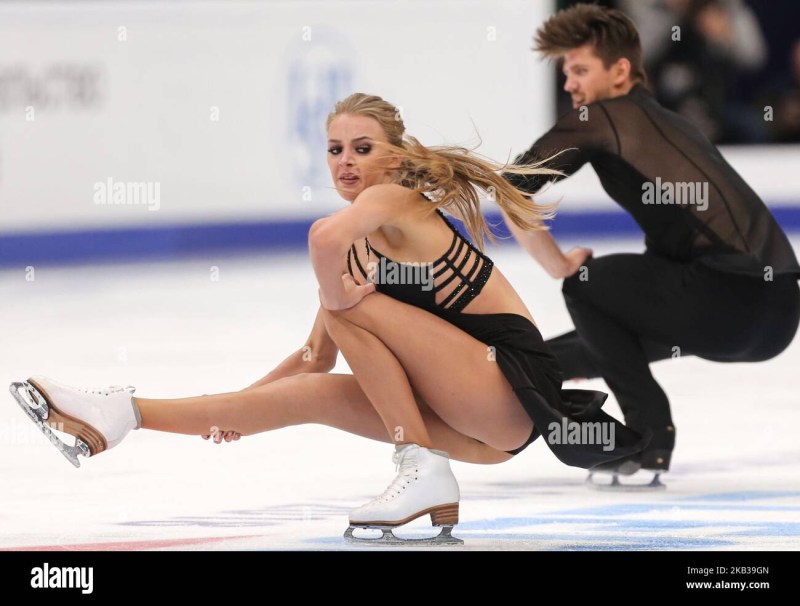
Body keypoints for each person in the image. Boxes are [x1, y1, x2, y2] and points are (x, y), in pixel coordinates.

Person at [12, 93, 645, 544]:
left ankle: (418, 467)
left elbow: (321, 240)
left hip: (509, 387)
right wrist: (242, 408)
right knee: (314, 387)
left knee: (343, 302)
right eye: (335, 149)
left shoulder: (394, 199)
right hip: (475, 429)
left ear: (396, 158)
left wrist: (336, 288)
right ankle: (123, 415)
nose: (345, 161)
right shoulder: (359, 251)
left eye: (362, 148)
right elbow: (315, 360)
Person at [501, 4, 800, 480]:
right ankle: (549, 376)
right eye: (566, 73)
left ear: (620, 71)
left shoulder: (601, 117)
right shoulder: (671, 126)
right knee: (604, 321)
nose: (570, 85)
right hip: (776, 315)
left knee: (585, 280)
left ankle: (644, 441)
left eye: (580, 70)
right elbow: (640, 313)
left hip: (727, 297)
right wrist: (543, 364)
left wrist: (557, 263)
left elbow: (512, 186)